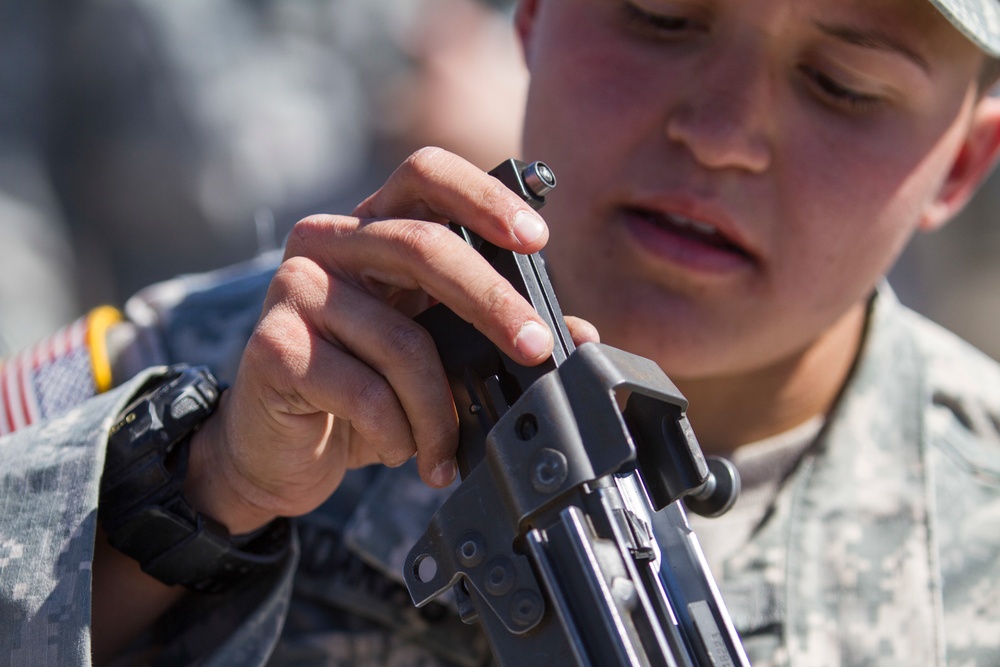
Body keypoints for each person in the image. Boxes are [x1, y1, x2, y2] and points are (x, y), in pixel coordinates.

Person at [2, 0, 1000, 665]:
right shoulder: (198, 375)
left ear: (962, 161)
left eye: (843, 84)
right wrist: (205, 497)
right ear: (528, 15)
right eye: (660, 16)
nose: (722, 134)